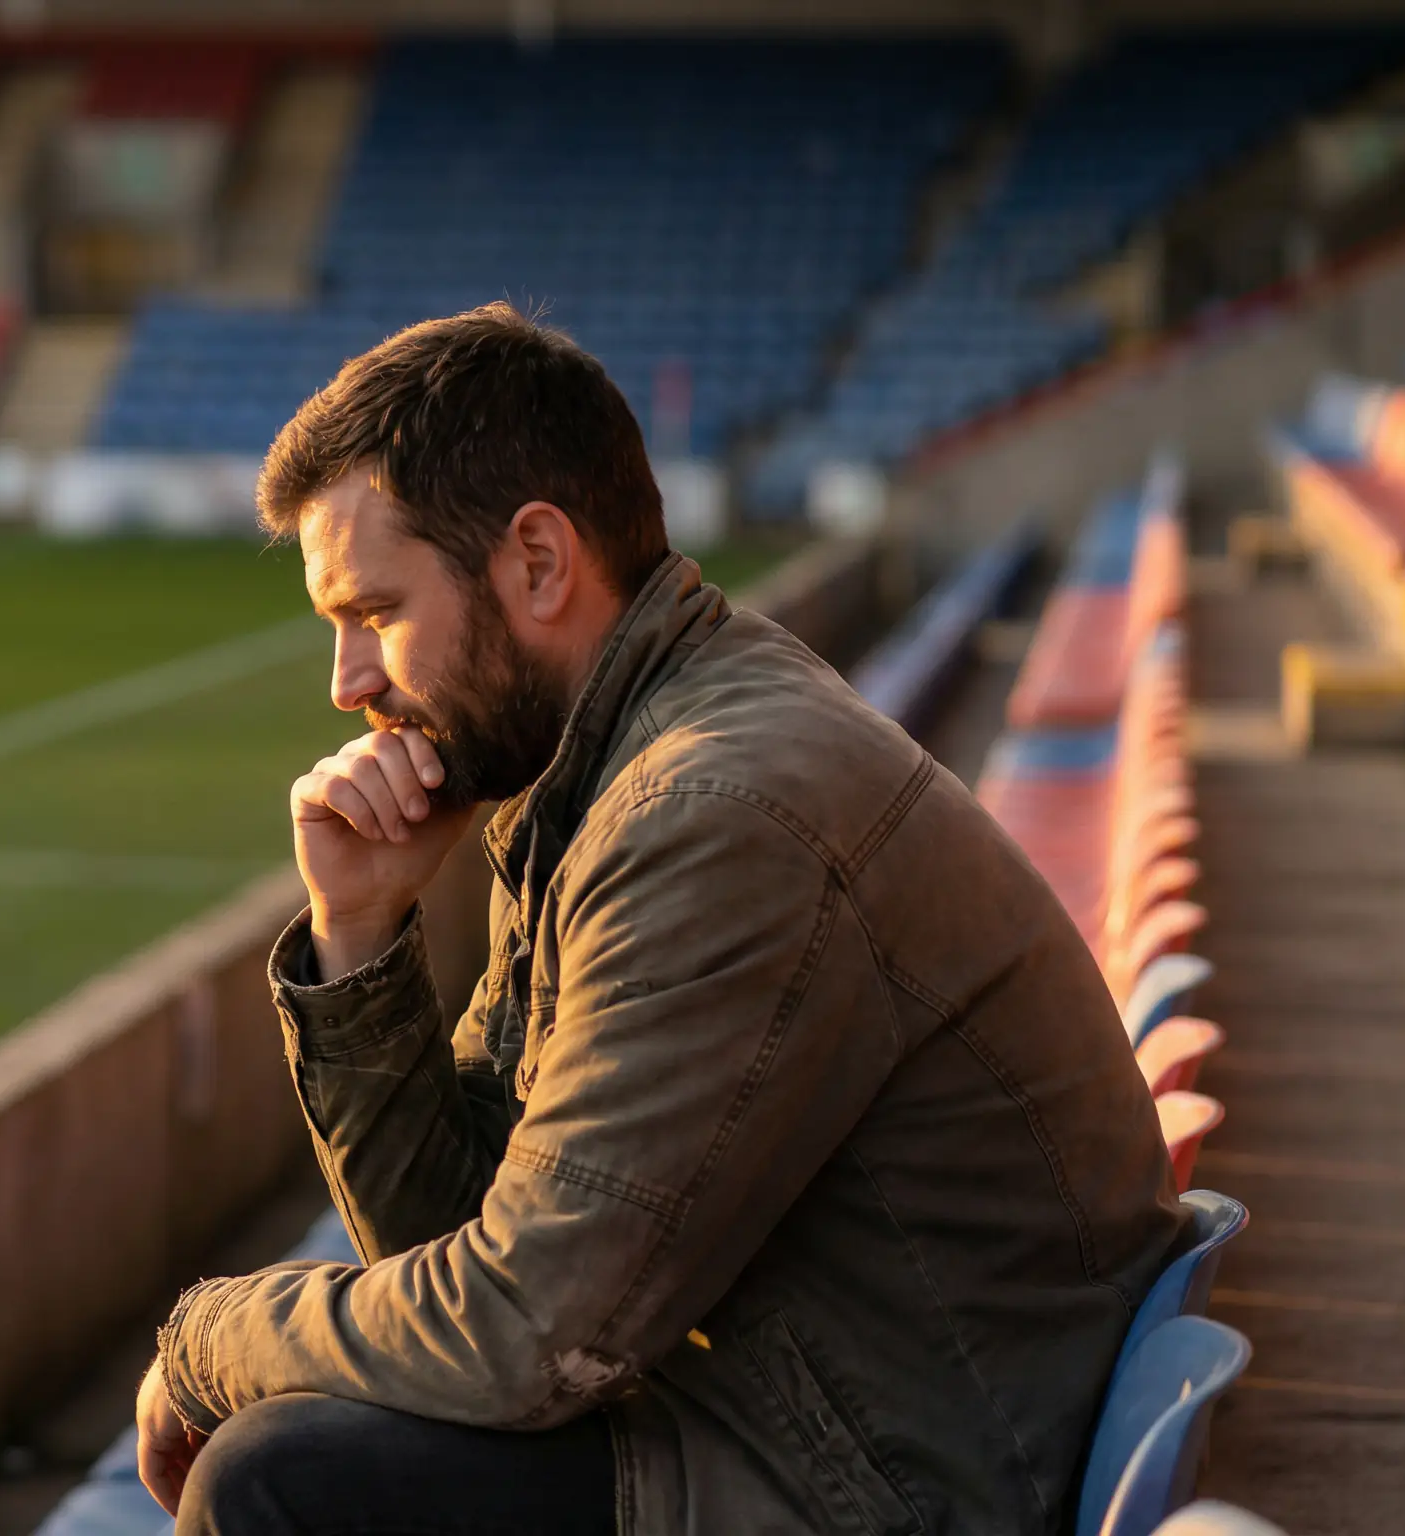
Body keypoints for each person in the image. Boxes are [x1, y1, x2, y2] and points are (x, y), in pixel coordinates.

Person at [133, 303, 1186, 1534]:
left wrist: (205, 1336)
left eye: (374, 614)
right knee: (309, 1445)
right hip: (840, 1425)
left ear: (537, 561)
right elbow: (450, 1240)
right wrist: (359, 933)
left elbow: (521, 1340)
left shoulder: (709, 815)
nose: (347, 685)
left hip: (900, 1489)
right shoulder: (621, 761)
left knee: (286, 1479)